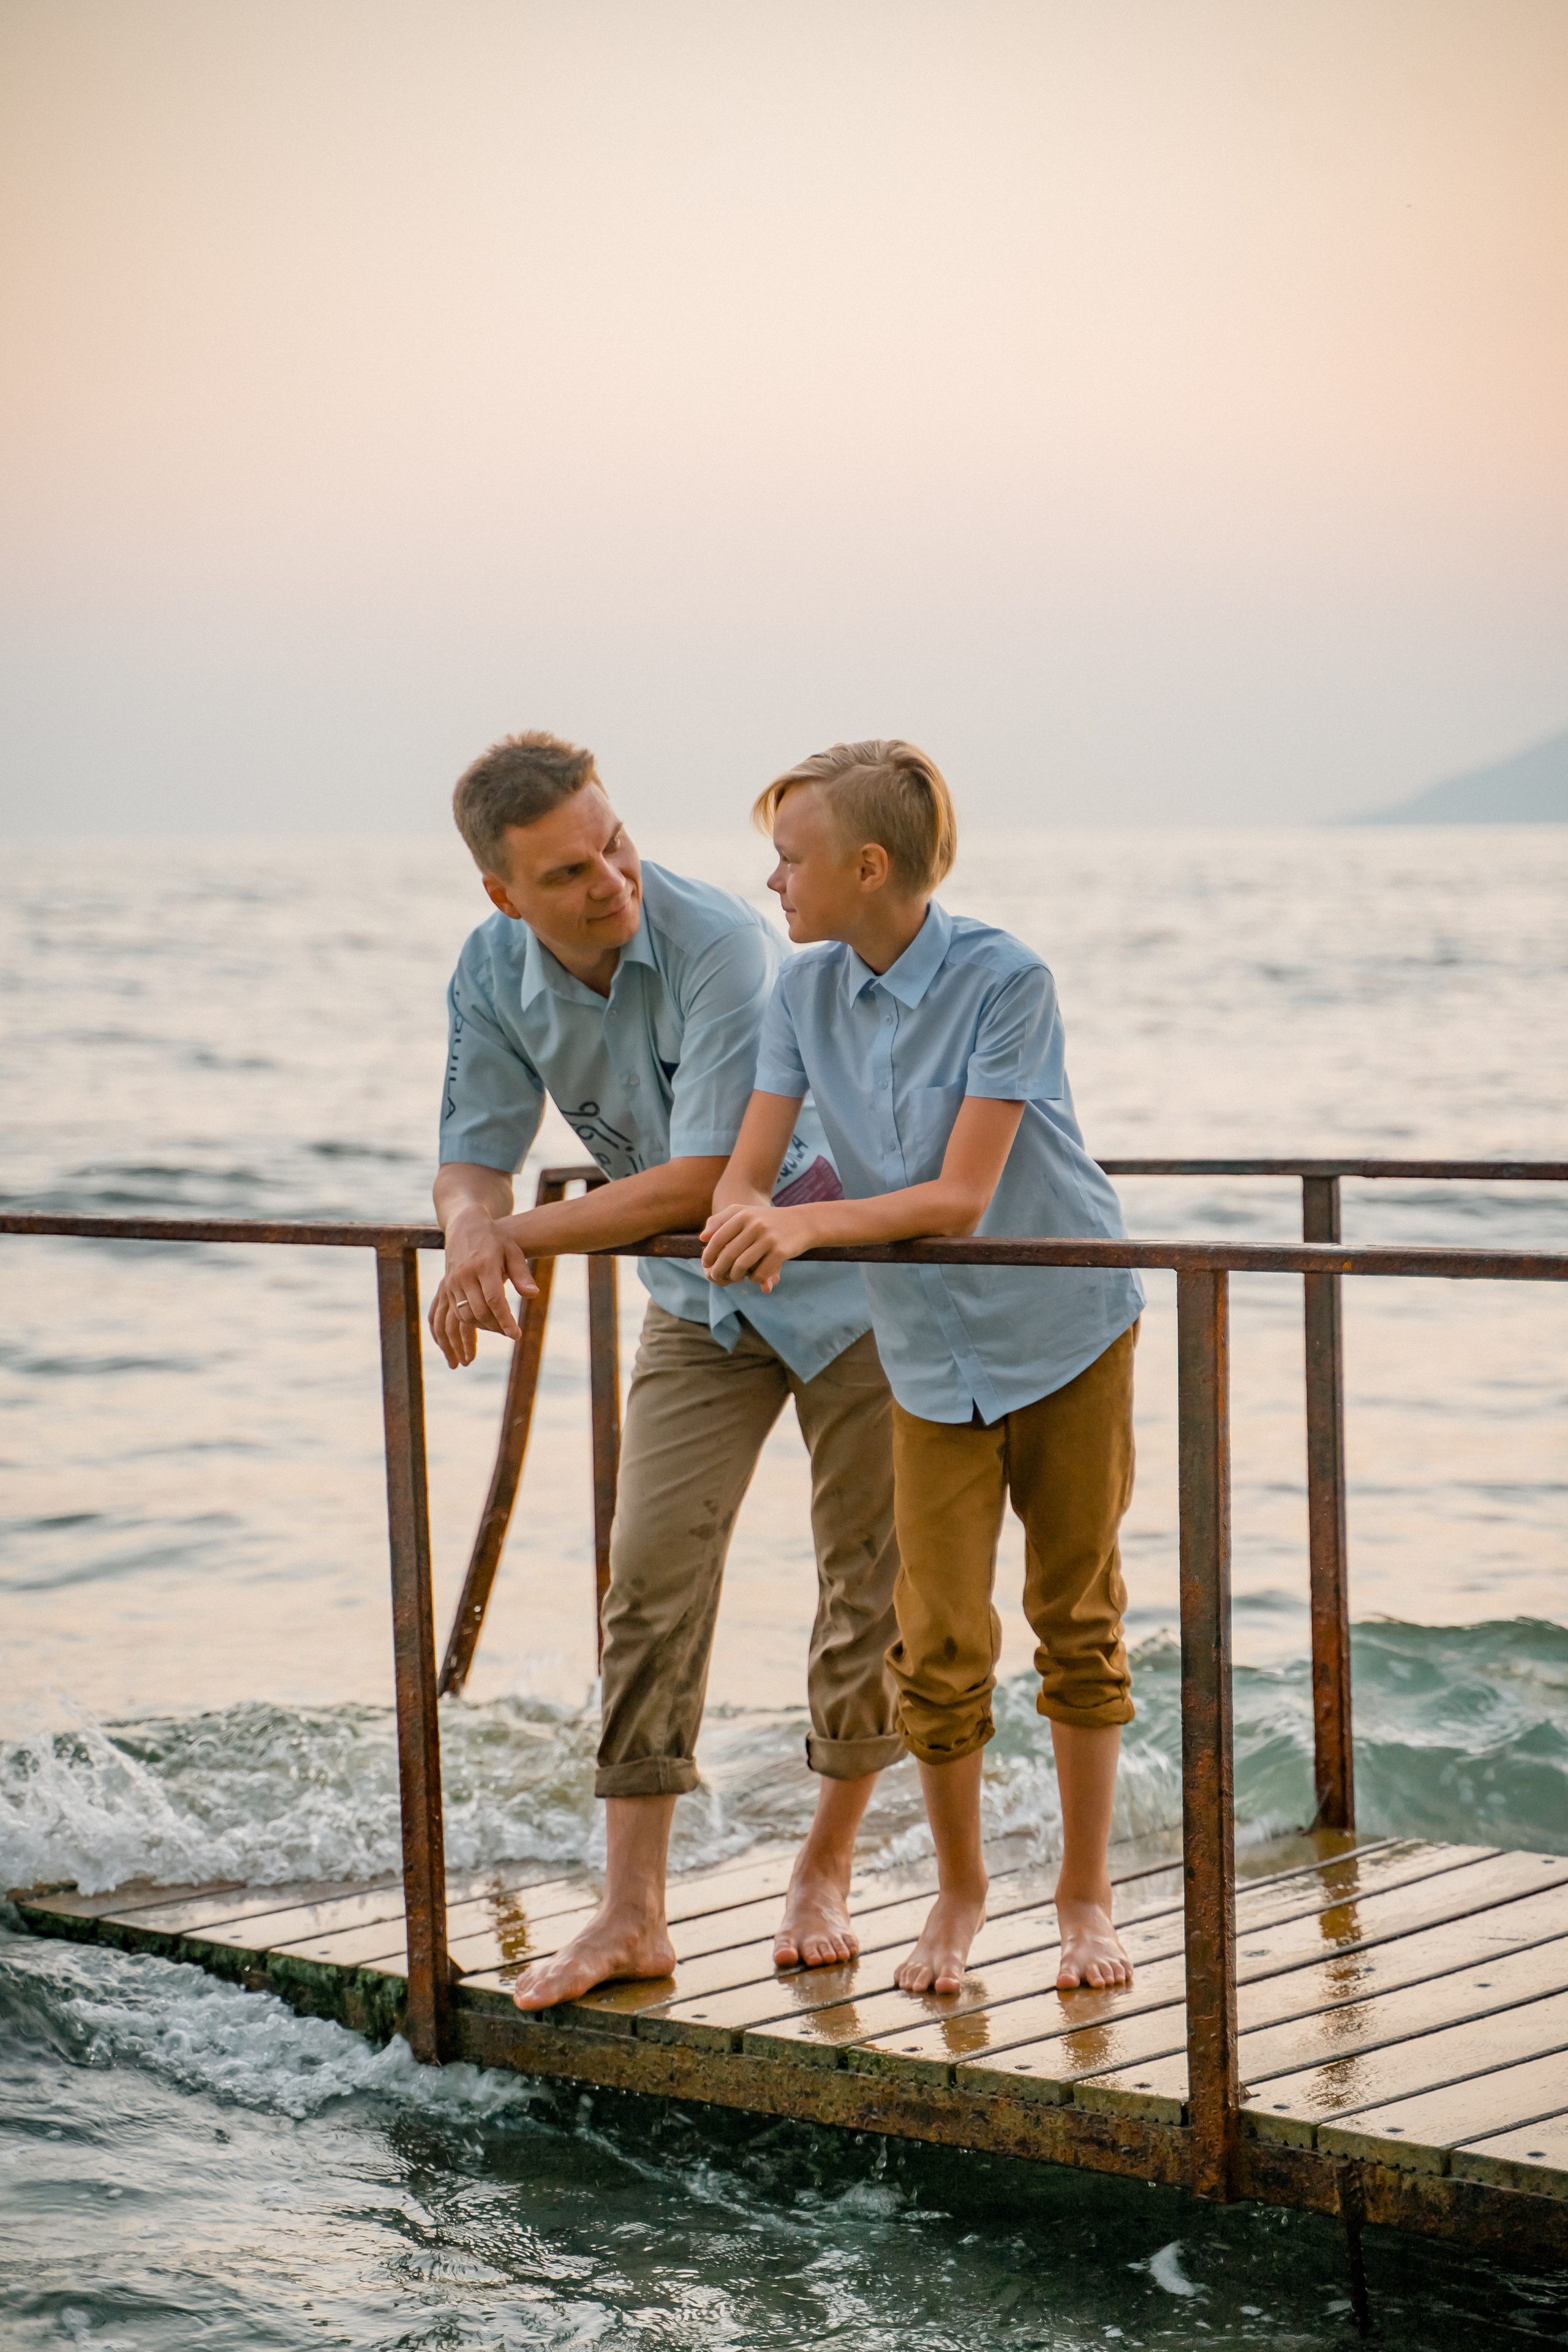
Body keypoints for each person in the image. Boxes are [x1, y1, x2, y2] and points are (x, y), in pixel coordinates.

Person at [431, 729, 905, 2008]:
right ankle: (631, 1914)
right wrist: (470, 1227)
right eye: (569, 873)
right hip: (702, 1305)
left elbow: (705, 1179)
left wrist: (516, 1237)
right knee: (646, 1579)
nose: (611, 883)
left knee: (864, 1588)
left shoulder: (720, 942)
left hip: (850, 1288)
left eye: (616, 843)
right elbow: (472, 1155)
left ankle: (824, 1871)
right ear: (504, 894)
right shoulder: (488, 970)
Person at [701, 740, 1144, 1996]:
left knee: (1076, 1620)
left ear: (868, 866)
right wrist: (742, 1210)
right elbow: (746, 1171)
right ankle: (960, 1895)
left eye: (790, 859)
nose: (773, 882)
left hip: (1063, 1331)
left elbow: (958, 1198)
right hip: (926, 1354)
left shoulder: (1007, 980)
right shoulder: (801, 993)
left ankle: (1084, 1900)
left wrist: (802, 1228)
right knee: (936, 1638)